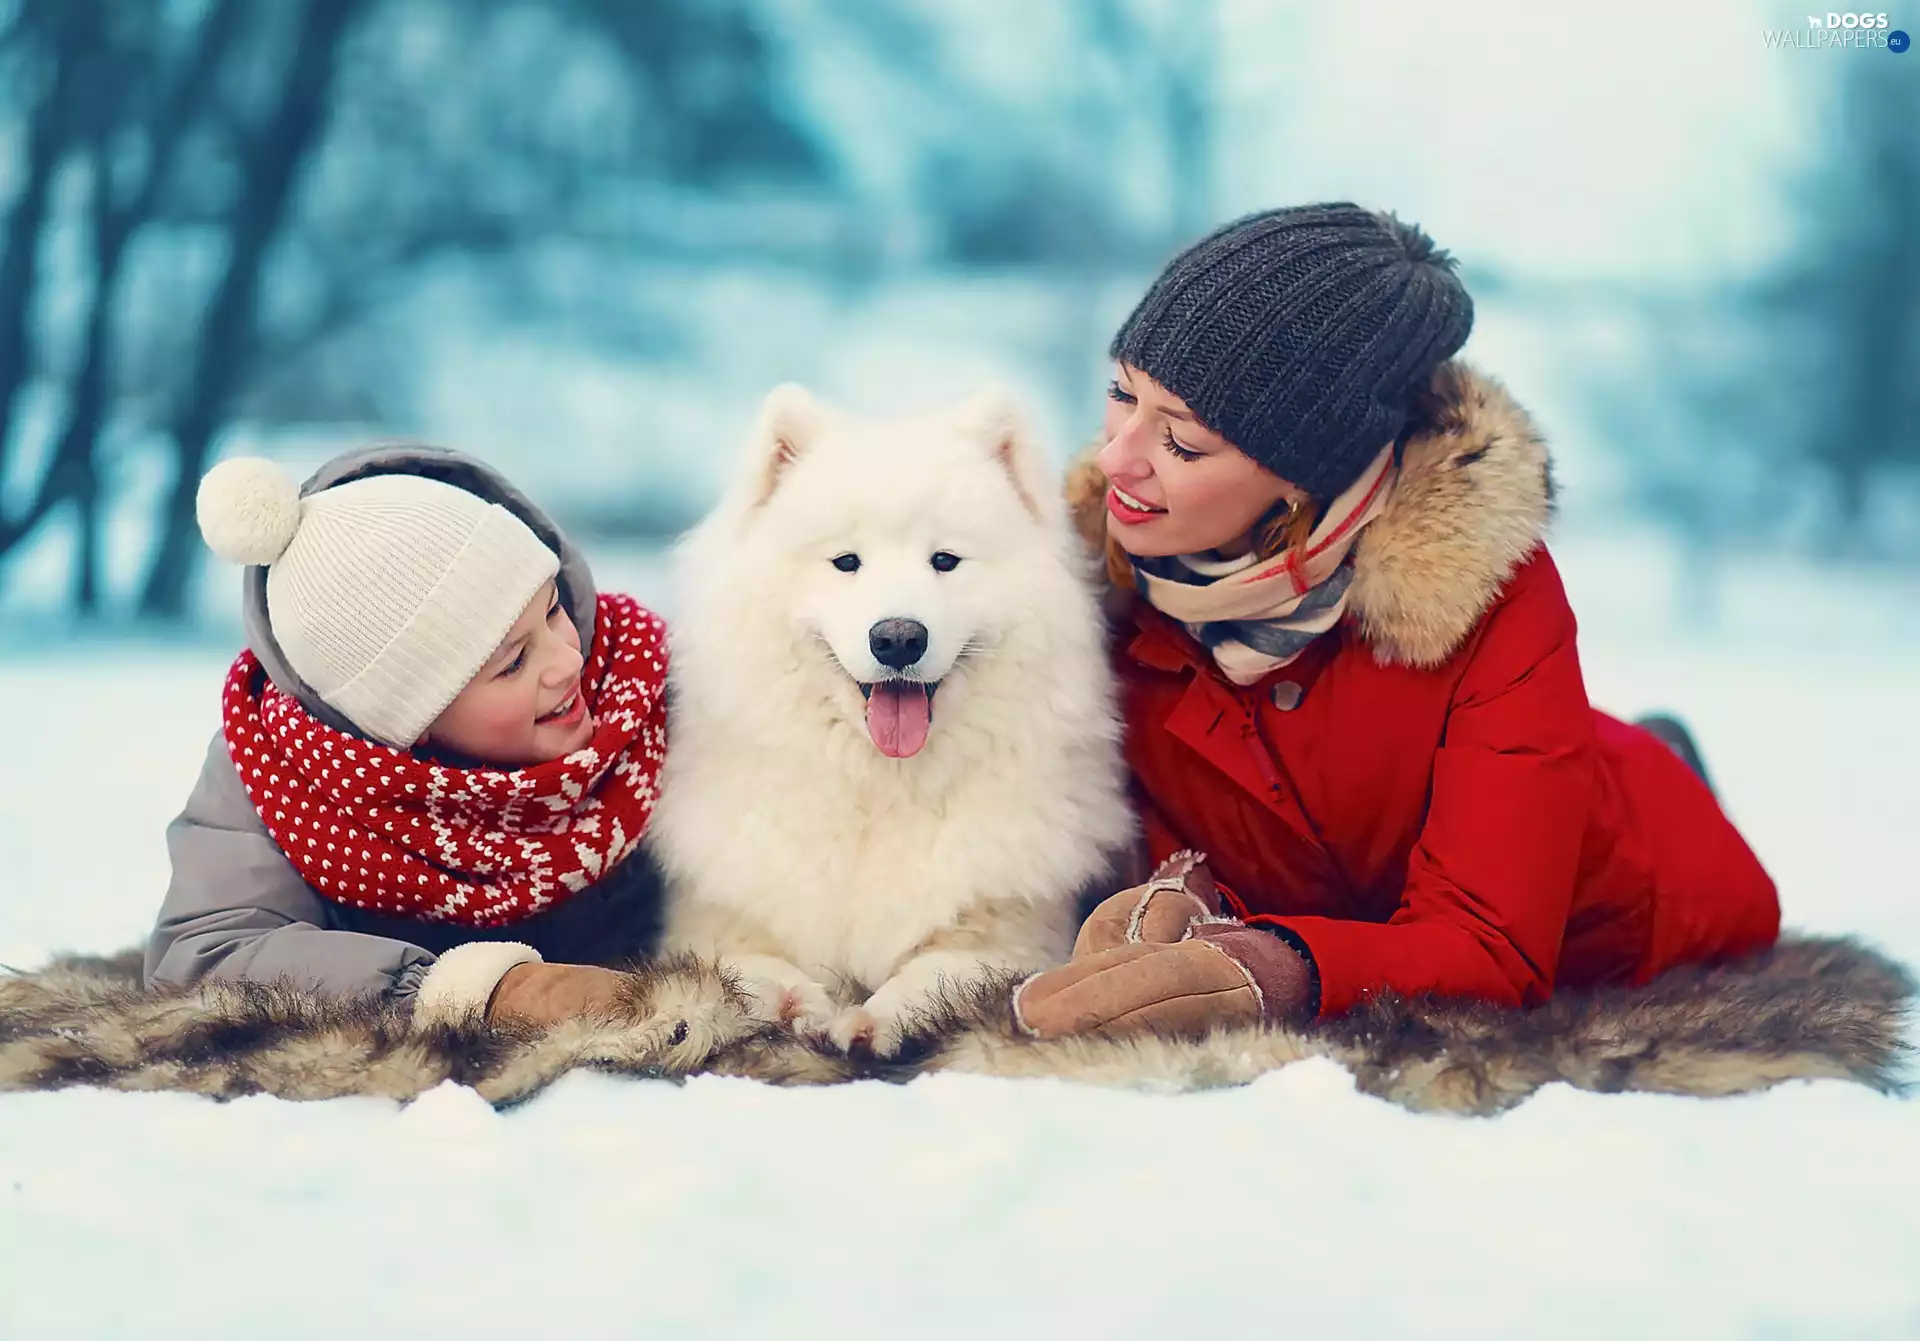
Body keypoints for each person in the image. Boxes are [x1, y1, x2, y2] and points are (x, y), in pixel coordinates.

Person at [1014, 204, 1780, 1038]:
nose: (1117, 456)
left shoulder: (1492, 597)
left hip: (1629, 898)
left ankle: (1664, 761)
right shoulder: (1096, 589)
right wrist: (1184, 891)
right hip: (1431, 839)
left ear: (1302, 475)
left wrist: (1268, 967)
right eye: (1121, 395)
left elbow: (1488, 945)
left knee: (1639, 819)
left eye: (1183, 443)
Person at [143, 446, 670, 1030]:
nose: (567, 660)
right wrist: (484, 993)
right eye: (514, 663)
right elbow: (207, 956)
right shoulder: (281, 775)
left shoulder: (644, 684)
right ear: (407, 725)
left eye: (550, 610)